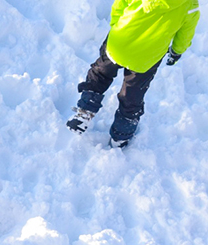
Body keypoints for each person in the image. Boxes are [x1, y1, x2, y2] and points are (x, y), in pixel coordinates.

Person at [66, 0, 200, 148]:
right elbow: (185, 35)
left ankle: (84, 111)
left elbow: (119, 5)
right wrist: (176, 52)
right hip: (146, 57)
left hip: (119, 43)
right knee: (132, 93)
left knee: (100, 74)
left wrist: (115, 25)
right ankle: (121, 136)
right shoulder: (190, 6)